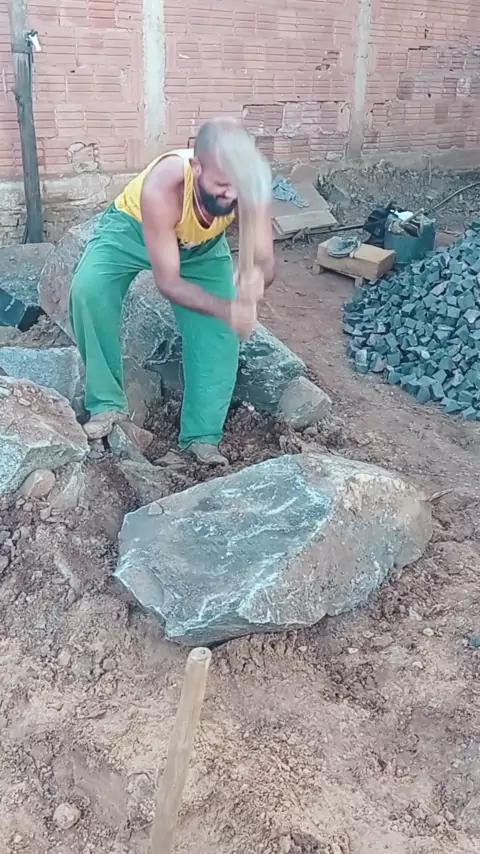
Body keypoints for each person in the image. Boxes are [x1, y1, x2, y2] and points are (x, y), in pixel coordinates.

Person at [69, 117, 275, 465]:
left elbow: (266, 259)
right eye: (222, 184)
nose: (232, 194)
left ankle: (202, 437)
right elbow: (169, 282)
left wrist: (256, 279)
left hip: (202, 248)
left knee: (219, 331)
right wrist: (227, 308)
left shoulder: (250, 184)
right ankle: (106, 404)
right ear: (196, 168)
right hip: (133, 229)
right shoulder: (162, 188)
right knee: (89, 290)